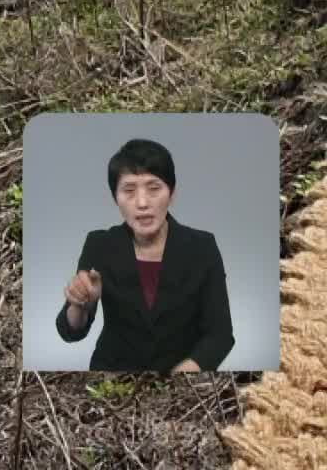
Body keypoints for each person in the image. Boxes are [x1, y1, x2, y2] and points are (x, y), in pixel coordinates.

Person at [55, 138, 234, 373]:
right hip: (112, 381)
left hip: (183, 383)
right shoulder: (99, 244)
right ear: (115, 199)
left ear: (172, 194)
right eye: (129, 191)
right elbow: (71, 331)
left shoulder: (203, 246)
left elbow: (220, 334)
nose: (142, 203)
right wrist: (80, 304)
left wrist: (187, 372)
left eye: (154, 188)